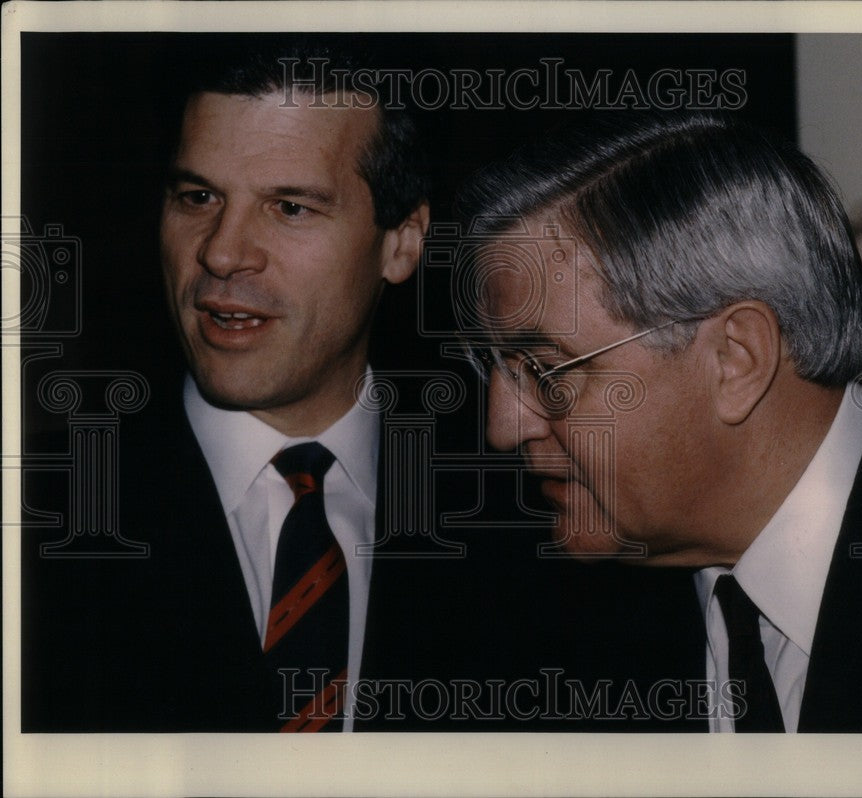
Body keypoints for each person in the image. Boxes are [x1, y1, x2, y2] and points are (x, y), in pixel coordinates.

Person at [22, 42, 531, 733]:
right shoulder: (38, 517)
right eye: (197, 196)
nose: (221, 252)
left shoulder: (532, 515)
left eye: (290, 207)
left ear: (403, 242)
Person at [455, 111, 862, 732]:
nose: (504, 426)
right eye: (497, 368)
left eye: (545, 371)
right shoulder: (538, 632)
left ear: (736, 359)